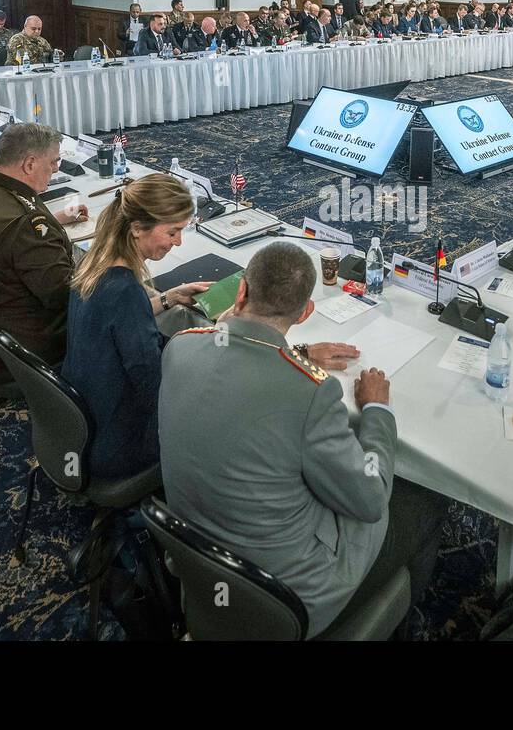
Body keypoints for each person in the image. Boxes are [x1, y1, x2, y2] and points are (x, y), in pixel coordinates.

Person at [159, 241, 447, 636]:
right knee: (424, 502)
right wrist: (377, 411)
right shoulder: (310, 392)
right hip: (287, 596)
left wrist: (295, 352)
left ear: (241, 290)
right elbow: (369, 501)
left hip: (198, 562)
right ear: (306, 311)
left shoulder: (181, 346)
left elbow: (233, 352)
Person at [61, 175, 213, 481]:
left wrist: (168, 298)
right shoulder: (125, 290)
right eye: (173, 232)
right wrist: (216, 337)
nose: (179, 241)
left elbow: (117, 322)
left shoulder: (96, 261)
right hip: (117, 445)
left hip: (81, 424)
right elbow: (153, 384)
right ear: (136, 228)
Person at [0, 123, 89, 379]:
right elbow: (65, 296)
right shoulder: (25, 225)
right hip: (29, 344)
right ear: (29, 164)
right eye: (54, 162)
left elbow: (9, 236)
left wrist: (56, 220)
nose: (56, 169)